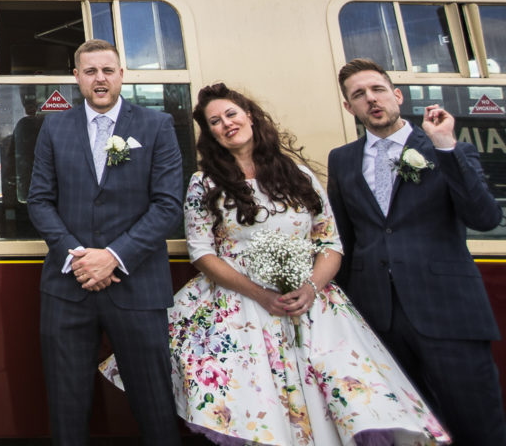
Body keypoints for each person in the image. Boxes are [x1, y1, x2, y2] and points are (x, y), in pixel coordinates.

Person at [104, 82, 446, 444]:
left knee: (342, 399)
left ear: (249, 116)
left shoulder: (300, 176)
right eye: (215, 121)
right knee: (257, 409)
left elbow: (330, 242)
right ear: (210, 134)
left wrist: (311, 287)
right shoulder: (203, 184)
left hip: (313, 306)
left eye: (231, 114)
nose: (226, 124)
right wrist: (260, 294)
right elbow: (201, 252)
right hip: (239, 308)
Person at [327, 58, 506, 445]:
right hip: (378, 319)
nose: (370, 100)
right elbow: (344, 238)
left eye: (377, 89)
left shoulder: (447, 149)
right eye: (358, 95)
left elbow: (485, 217)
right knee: (407, 433)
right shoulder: (341, 160)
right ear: (348, 107)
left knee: (478, 426)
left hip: (449, 312)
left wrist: (445, 147)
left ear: (397, 95)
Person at [25, 39, 183, 446]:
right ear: (77, 78)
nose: (100, 79)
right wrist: (78, 257)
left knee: (155, 405)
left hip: (138, 287)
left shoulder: (156, 125)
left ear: (121, 75)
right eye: (90, 71)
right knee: (66, 405)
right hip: (67, 287)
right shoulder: (54, 126)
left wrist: (113, 257)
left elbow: (168, 206)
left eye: (107, 70)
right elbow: (39, 200)